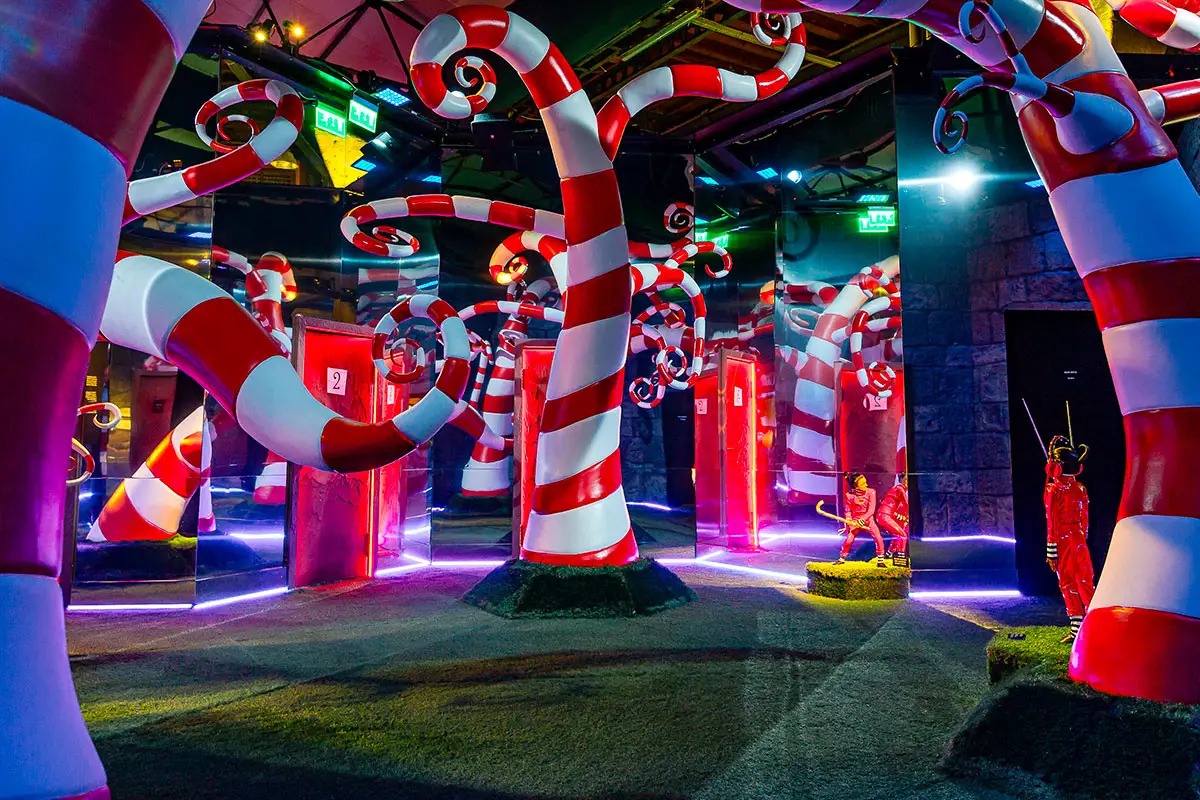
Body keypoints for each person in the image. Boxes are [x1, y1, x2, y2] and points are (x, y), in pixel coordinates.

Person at [1044, 434, 1095, 642]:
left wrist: (1051, 551)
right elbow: (1085, 519)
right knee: (1085, 580)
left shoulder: (1053, 490)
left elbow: (1052, 522)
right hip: (1079, 540)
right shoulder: (1080, 488)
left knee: (1067, 582)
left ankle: (1080, 627)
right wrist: (1081, 537)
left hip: (1064, 541)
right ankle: (1091, 625)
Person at [834, 472, 887, 567]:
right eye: (863, 484)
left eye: (865, 482)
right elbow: (848, 511)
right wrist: (849, 522)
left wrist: (862, 520)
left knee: (878, 537)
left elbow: (871, 510)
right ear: (856, 486)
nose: (866, 485)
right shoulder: (849, 496)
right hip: (855, 521)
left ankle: (880, 560)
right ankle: (842, 558)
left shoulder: (871, 492)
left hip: (868, 520)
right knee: (849, 539)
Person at [878, 475, 909, 558]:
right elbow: (906, 503)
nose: (907, 481)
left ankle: (889, 554)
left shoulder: (898, 489)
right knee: (902, 535)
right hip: (885, 515)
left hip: (887, 515)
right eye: (906, 479)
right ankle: (901, 557)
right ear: (901, 480)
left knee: (898, 534)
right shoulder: (899, 488)